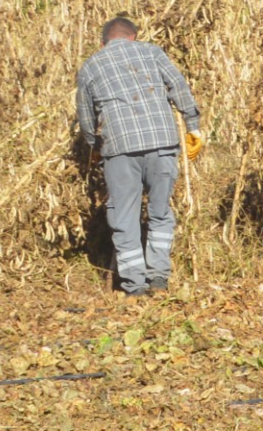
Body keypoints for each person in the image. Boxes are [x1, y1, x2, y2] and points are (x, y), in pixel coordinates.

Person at [76, 15, 203, 297]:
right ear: (133, 36)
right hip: (162, 143)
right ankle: (159, 278)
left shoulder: (90, 66)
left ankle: (135, 287)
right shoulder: (151, 52)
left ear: (103, 42)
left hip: (119, 149)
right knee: (160, 212)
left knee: (124, 218)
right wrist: (193, 126)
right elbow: (179, 88)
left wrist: (94, 146)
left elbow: (86, 118)